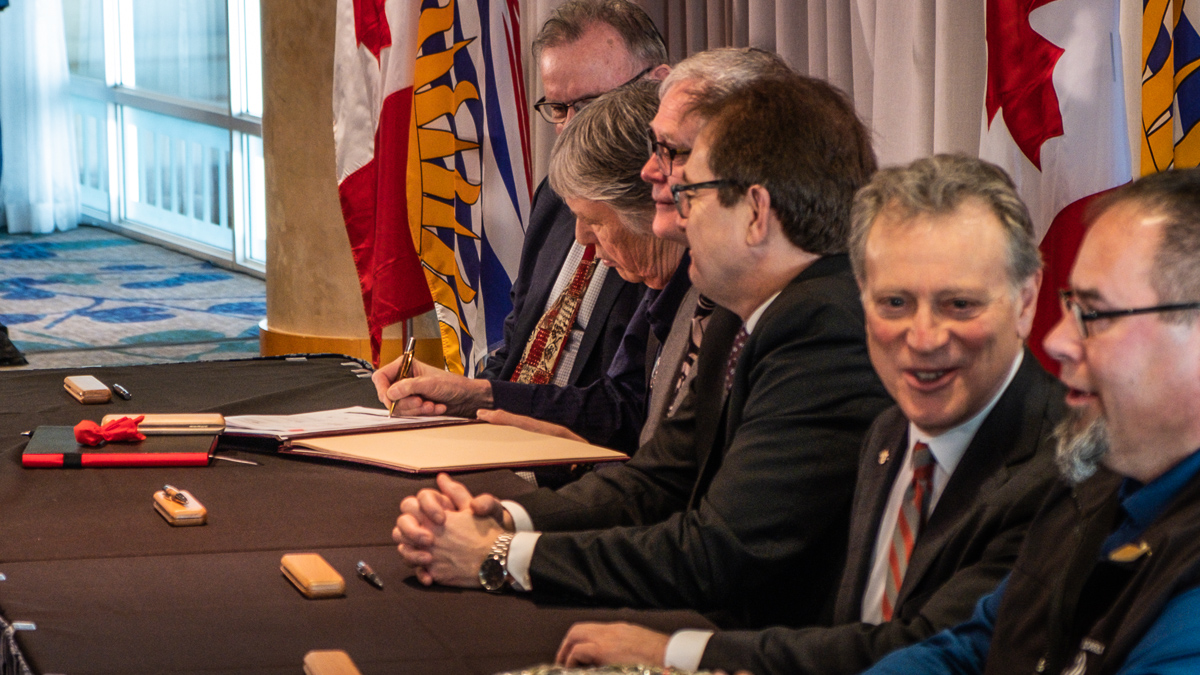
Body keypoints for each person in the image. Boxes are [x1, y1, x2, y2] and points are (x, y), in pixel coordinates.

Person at [391, 73, 892, 630]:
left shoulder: (825, 330)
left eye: (691, 192)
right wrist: (502, 517)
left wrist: (501, 556)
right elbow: (657, 479)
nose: (676, 212)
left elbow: (718, 553)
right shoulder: (740, 313)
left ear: (755, 212)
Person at [554, 155, 1068, 673]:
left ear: (1025, 301)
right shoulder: (892, 431)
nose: (924, 338)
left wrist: (676, 653)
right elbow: (848, 628)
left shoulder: (1058, 471)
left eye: (959, 305)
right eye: (894, 303)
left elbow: (920, 653)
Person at [861, 167, 1200, 674]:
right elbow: (975, 649)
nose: (1055, 340)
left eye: (1095, 314)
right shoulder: (1090, 490)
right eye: (1070, 304)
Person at [375, 0, 667, 405]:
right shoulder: (554, 197)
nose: (568, 130)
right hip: (499, 439)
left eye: (589, 105)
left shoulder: (664, 226)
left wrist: (482, 397)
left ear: (657, 83)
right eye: (559, 109)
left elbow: (629, 410)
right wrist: (455, 400)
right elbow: (514, 355)